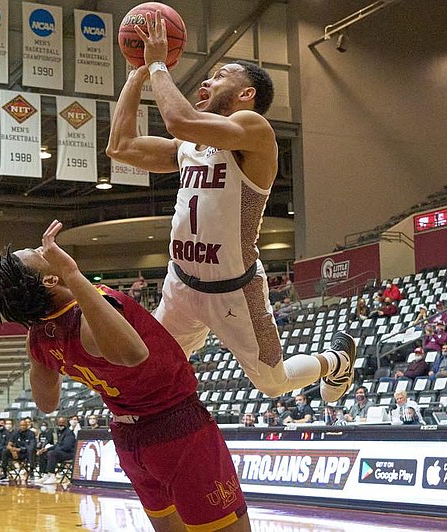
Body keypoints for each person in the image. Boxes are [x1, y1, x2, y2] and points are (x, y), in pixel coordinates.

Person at [106, 12, 356, 405]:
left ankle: (335, 361)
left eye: (220, 75)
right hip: (180, 286)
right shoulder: (189, 146)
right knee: (143, 368)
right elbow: (120, 146)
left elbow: (178, 119)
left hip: (233, 290)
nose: (206, 80)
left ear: (246, 94)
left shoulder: (254, 130)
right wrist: (137, 74)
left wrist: (156, 63)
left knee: (272, 384)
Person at [0, 220, 250, 531]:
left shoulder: (37, 339)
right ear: (50, 279)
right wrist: (72, 273)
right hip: (178, 427)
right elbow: (134, 354)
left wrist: (43, 342)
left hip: (130, 437)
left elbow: (47, 402)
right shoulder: (89, 316)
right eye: (37, 253)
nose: (43, 249)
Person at [41, 416, 76, 485]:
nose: (61, 424)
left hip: (69, 454)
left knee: (52, 453)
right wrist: (46, 449)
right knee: (43, 453)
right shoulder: (60, 432)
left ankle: (52, 475)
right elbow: (57, 444)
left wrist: (54, 449)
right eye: (59, 423)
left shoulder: (69, 433)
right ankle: (45, 474)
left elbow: (67, 447)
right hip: (61, 452)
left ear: (66, 423)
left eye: (62, 423)